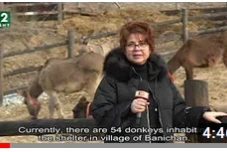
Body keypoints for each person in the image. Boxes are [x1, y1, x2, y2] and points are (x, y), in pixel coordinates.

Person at [90, 20, 227, 143]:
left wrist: (201, 114)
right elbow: (101, 114)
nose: (137, 48)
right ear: (124, 49)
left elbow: (177, 112)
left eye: (142, 43)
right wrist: (128, 108)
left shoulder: (162, 78)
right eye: (131, 44)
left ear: (150, 47)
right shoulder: (113, 79)